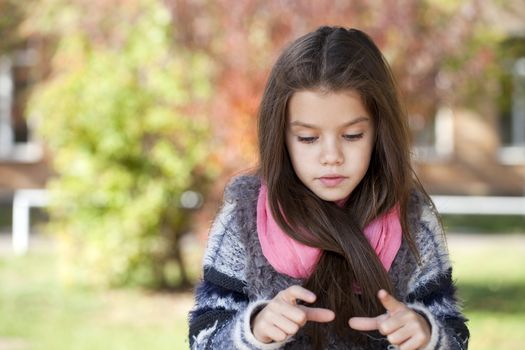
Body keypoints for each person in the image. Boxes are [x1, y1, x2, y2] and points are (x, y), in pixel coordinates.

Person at [188, 26, 469, 349]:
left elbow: (455, 334)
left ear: (379, 132)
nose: (331, 157)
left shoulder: (413, 219)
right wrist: (255, 330)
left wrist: (427, 335)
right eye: (308, 138)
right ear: (280, 136)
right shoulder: (244, 217)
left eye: (352, 136)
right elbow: (203, 338)